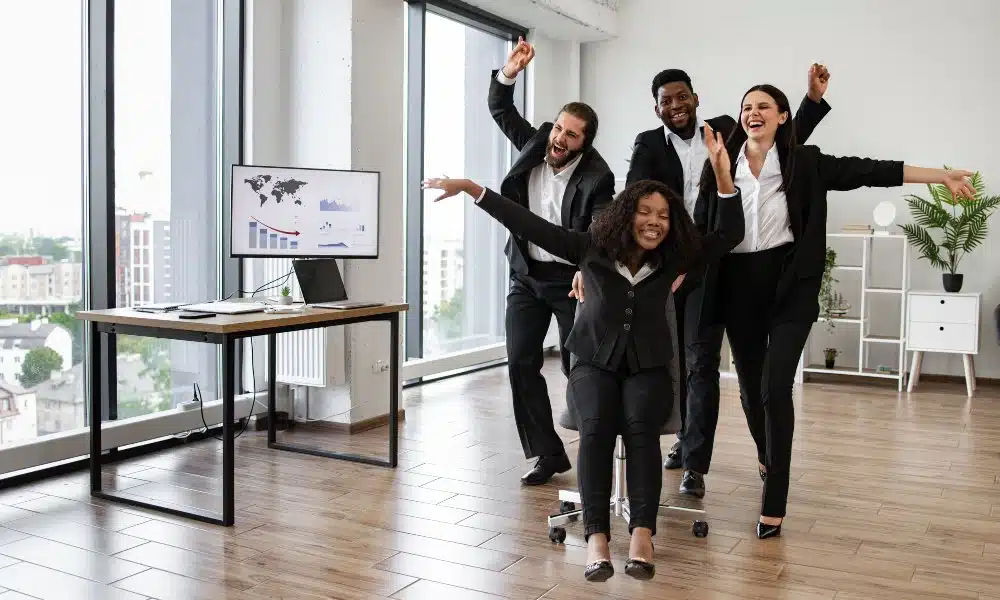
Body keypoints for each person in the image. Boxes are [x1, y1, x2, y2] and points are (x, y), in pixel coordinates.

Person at [421, 125, 744, 581]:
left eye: (663, 215)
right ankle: (596, 537)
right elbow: (527, 223)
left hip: (649, 367)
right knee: (594, 429)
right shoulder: (589, 247)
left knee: (641, 429)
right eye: (645, 212)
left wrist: (722, 172)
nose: (654, 221)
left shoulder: (676, 257)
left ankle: (642, 535)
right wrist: (474, 189)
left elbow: (730, 232)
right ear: (626, 215)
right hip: (592, 363)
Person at [693, 83, 974, 539]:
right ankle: (767, 456)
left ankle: (774, 502)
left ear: (783, 116)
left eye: (763, 106)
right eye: (747, 107)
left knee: (775, 388)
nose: (753, 112)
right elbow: (702, 229)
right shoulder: (721, 164)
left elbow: (872, 170)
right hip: (737, 288)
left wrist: (939, 177)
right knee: (749, 393)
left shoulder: (806, 162)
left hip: (790, 288)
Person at [572, 65, 832, 501]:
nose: (675, 106)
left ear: (696, 98)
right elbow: (629, 202)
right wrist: (592, 260)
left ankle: (735, 457)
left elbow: (779, 144)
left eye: (682, 97)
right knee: (687, 362)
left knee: (725, 370)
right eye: (666, 101)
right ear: (656, 108)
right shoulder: (648, 144)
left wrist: (811, 102)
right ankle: (690, 456)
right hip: (675, 264)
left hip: (725, 261)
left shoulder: (726, 130)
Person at [487, 37, 615, 486]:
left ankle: (594, 448)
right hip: (526, 275)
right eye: (559, 128)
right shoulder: (536, 142)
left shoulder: (598, 177)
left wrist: (585, 269)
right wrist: (510, 71)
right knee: (520, 362)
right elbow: (500, 108)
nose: (560, 138)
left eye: (571, 134)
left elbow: (599, 235)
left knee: (577, 367)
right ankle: (547, 453)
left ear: (585, 142)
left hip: (569, 280)